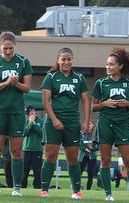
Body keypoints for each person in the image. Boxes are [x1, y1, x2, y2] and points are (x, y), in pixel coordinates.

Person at [92, 48, 129, 202]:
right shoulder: (101, 83)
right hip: (105, 124)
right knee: (105, 160)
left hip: (123, 125)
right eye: (107, 64)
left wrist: (127, 103)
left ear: (120, 66)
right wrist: (105, 103)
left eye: (111, 64)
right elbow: (93, 107)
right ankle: (108, 194)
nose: (108, 67)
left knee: (128, 161)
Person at [0, 31, 33, 197]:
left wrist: (16, 83)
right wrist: (6, 83)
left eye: (11, 48)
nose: (8, 51)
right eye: (5, 48)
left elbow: (27, 88)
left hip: (17, 111)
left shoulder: (23, 62)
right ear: (0, 47)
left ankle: (17, 187)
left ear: (15, 46)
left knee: (17, 151)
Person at [38, 47, 91, 199]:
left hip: (72, 122)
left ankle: (76, 191)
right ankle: (44, 190)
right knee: (50, 155)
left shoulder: (79, 78)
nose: (66, 62)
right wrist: (54, 120)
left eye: (69, 59)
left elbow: (86, 100)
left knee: (73, 157)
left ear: (72, 60)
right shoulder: (51, 77)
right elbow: (45, 101)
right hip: (53, 122)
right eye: (63, 59)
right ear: (58, 60)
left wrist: (86, 121)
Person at [21, 106, 43, 189]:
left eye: (32, 111)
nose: (31, 113)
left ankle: (37, 187)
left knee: (37, 171)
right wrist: (30, 123)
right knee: (24, 171)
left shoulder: (40, 121)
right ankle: (23, 187)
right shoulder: (25, 121)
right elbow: (24, 133)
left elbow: (42, 133)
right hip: (26, 149)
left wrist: (34, 124)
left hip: (37, 149)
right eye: (29, 112)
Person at [79, 121, 98, 190]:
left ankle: (88, 189)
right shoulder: (82, 134)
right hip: (82, 156)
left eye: (91, 124)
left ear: (93, 125)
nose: (89, 125)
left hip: (92, 157)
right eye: (88, 123)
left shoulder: (95, 134)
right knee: (79, 172)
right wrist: (85, 148)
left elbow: (98, 146)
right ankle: (76, 187)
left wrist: (92, 149)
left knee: (90, 173)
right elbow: (79, 144)